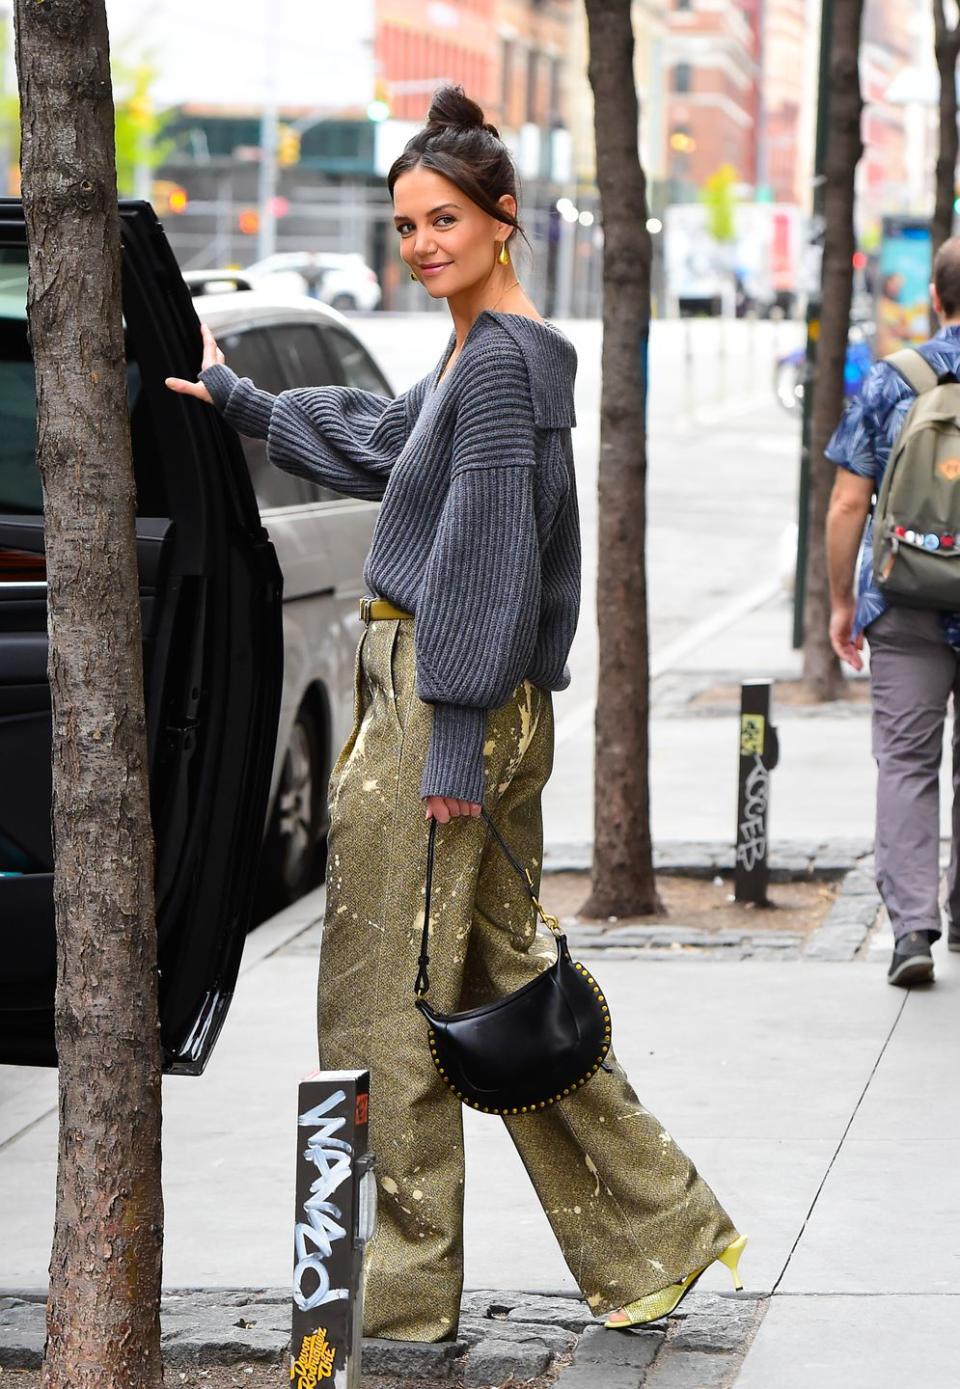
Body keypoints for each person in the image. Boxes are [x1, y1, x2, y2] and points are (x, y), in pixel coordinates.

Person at [166, 83, 744, 1341]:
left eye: (442, 221)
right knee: (493, 989)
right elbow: (389, 446)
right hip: (460, 694)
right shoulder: (486, 357)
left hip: (446, 692)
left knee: (386, 998)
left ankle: (402, 1301)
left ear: (501, 220)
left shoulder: (499, 368)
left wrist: (453, 733)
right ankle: (661, 1235)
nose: (420, 244)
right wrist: (248, 402)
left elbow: (482, 552)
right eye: (405, 226)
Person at [826, 235, 960, 987]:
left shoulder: (893, 380)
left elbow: (849, 501)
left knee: (907, 759)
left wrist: (843, 601)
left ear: (936, 300)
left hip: (904, 595)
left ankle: (913, 929)